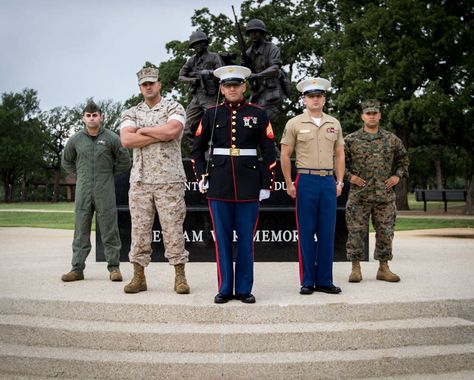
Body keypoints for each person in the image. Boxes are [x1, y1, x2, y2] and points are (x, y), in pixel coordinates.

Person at [191, 65, 277, 304]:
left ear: (244, 86)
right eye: (228, 85)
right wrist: (201, 176)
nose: (232, 89)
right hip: (218, 184)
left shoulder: (258, 114)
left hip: (249, 184)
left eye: (236, 85)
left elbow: (269, 150)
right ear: (221, 88)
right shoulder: (210, 114)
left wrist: (266, 184)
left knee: (247, 242)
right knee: (223, 240)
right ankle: (225, 287)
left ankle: (244, 289)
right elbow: (196, 150)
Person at [119, 65, 190, 295]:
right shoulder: (130, 112)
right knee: (139, 231)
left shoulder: (173, 107)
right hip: (140, 181)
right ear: (140, 87)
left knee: (173, 229)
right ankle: (139, 277)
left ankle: (180, 276)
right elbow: (127, 141)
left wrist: (143, 131)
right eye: (144, 84)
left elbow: (172, 132)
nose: (148, 87)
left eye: (152, 82)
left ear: (159, 84)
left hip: (169, 180)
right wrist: (155, 133)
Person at [280, 77, 344, 295]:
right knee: (306, 231)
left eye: (318, 96)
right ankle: (307, 280)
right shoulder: (294, 123)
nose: (315, 99)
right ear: (304, 100)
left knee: (327, 232)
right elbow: (285, 154)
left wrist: (340, 180)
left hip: (327, 180)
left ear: (324, 99)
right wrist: (289, 182)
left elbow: (339, 154)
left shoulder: (334, 123)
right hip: (305, 180)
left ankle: (325, 280)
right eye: (310, 96)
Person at [61, 101, 130, 282]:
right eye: (88, 115)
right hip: (83, 189)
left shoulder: (111, 138)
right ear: (83, 118)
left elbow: (125, 160)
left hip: (105, 188)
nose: (92, 118)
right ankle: (77, 268)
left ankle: (114, 268)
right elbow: (66, 161)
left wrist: (109, 173)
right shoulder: (76, 139)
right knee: (81, 228)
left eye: (95, 115)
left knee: (109, 228)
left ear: (101, 117)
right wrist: (80, 174)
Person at [344, 99, 409, 283]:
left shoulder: (391, 139)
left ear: (379, 115)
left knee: (385, 232)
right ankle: (355, 268)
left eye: (375, 113)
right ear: (362, 116)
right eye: (368, 113)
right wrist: (350, 177)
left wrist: (397, 176)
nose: (371, 116)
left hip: (384, 196)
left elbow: (403, 161)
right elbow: (338, 163)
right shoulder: (351, 140)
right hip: (359, 196)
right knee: (356, 232)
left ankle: (384, 268)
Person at [178, 30, 223, 150]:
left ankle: (217, 148)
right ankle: (197, 149)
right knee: (187, 126)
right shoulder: (192, 60)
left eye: (199, 43)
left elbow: (221, 73)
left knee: (215, 124)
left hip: (211, 96)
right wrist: (192, 80)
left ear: (205, 43)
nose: (197, 47)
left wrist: (208, 73)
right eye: (194, 45)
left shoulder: (214, 57)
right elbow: (181, 76)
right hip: (197, 96)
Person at [243, 19, 285, 123]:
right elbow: (245, 73)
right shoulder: (248, 53)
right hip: (257, 92)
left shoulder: (272, 48)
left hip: (272, 91)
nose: (253, 35)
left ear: (262, 33)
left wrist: (257, 75)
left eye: (256, 32)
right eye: (251, 32)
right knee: (250, 121)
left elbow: (275, 68)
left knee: (263, 119)